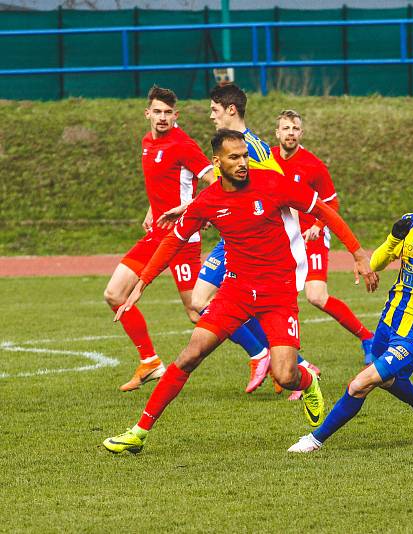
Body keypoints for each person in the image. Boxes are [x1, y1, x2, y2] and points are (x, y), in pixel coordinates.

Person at [102, 129, 378, 454]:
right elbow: (174, 240)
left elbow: (323, 211)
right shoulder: (207, 202)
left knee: (285, 374)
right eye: (234, 157)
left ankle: (307, 382)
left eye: (245, 155)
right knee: (190, 355)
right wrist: (142, 284)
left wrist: (358, 253)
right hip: (235, 291)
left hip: (278, 294)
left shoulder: (272, 183)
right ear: (217, 162)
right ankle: (139, 432)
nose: (243, 162)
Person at [288, 155, 413, 453]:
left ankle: (313, 440)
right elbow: (375, 264)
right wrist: (392, 238)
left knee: (361, 383)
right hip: (392, 317)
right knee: (386, 377)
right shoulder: (409, 222)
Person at [159, 84, 318, 396]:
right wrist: (191, 209)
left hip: (256, 239)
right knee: (200, 303)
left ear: (231, 110)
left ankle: (279, 361)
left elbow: (278, 192)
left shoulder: (255, 149)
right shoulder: (235, 148)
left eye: (214, 110)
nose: (211, 116)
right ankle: (274, 358)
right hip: (234, 234)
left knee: (209, 302)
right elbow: (223, 189)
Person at [103, 85, 214, 392]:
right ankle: (150, 362)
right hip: (156, 234)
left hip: (182, 236)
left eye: (168, 112)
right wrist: (152, 208)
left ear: (175, 115)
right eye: (158, 112)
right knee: (114, 294)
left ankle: (268, 354)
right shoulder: (147, 143)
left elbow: (215, 180)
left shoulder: (183, 144)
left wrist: (196, 211)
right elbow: (163, 183)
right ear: (147, 113)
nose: (162, 117)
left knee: (197, 310)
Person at [272, 109, 375, 363]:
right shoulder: (269, 159)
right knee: (276, 296)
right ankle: (286, 357)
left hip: (312, 238)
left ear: (301, 133)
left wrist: (318, 224)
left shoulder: (313, 165)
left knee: (316, 296)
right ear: (277, 133)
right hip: (281, 239)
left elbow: (333, 204)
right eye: (286, 128)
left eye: (295, 129)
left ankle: (367, 338)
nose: (291, 133)